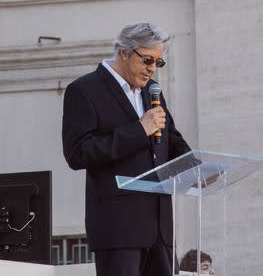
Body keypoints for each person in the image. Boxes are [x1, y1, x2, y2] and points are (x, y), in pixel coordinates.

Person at [62, 21, 192, 276]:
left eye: (158, 62)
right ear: (124, 52)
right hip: (118, 228)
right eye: (147, 60)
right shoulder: (84, 90)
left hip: (160, 229)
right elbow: (78, 153)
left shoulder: (151, 92)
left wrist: (195, 166)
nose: (152, 69)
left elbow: (170, 138)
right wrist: (138, 130)